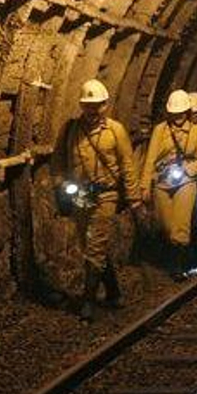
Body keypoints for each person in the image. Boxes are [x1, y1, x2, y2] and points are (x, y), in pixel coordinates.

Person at [52, 79, 144, 321]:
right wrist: (60, 185)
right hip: (81, 194)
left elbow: (127, 166)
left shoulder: (115, 130)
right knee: (90, 246)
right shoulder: (70, 129)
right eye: (88, 105)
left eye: (98, 105)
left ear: (105, 105)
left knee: (95, 245)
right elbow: (58, 163)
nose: (93, 110)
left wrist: (134, 199)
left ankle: (88, 301)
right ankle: (114, 293)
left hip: (107, 194)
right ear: (82, 106)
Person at [141, 89, 197, 280]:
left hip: (185, 182)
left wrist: (189, 169)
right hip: (162, 183)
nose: (178, 117)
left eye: (182, 113)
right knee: (166, 226)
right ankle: (177, 256)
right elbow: (150, 158)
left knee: (180, 227)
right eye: (175, 113)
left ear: (187, 112)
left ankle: (179, 267)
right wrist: (144, 185)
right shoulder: (160, 130)